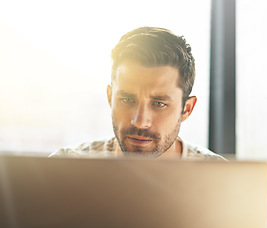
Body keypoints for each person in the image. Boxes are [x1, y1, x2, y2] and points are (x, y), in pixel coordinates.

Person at [50, 26, 224, 160]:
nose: (140, 122)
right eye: (127, 99)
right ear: (110, 98)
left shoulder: (221, 179)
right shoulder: (62, 168)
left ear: (186, 109)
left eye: (159, 104)